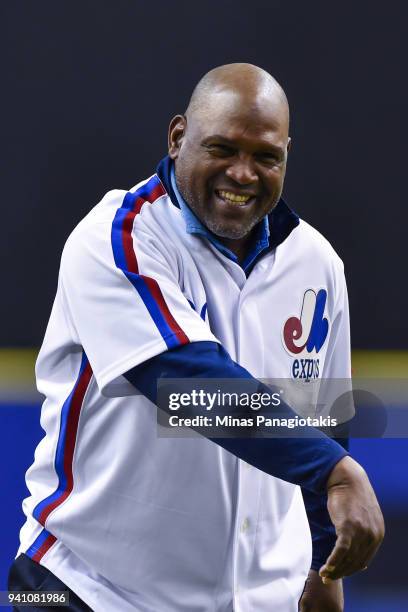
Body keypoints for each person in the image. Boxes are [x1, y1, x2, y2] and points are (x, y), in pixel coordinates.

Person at [9, 63, 384, 612]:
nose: (242, 173)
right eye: (222, 148)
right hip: (89, 588)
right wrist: (335, 472)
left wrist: (323, 569)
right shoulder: (119, 235)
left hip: (260, 598)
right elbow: (186, 383)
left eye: (265, 156)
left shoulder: (317, 263)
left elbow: (322, 419)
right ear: (178, 136)